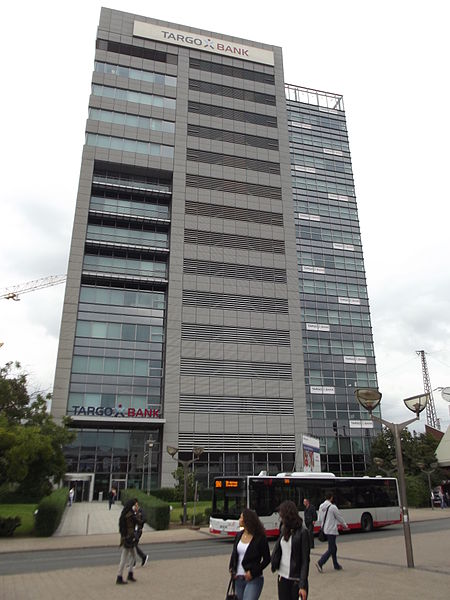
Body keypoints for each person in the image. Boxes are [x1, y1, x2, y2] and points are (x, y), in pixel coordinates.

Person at [271, 500, 310, 600]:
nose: (280, 517)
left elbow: (305, 561)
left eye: (282, 515)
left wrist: (302, 585)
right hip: (282, 578)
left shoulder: (303, 532)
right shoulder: (284, 529)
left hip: (296, 580)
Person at [229, 508, 270, 600]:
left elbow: (267, 559)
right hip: (238, 578)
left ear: (247, 520)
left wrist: (253, 572)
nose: (239, 520)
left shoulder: (260, 538)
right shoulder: (239, 535)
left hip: (253, 579)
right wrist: (232, 568)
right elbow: (234, 554)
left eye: (241, 517)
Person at [316, 492, 349, 573]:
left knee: (334, 547)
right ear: (331, 498)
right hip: (331, 530)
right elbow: (339, 517)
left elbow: (319, 519)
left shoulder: (321, 506)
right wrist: (345, 525)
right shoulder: (333, 507)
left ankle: (336, 565)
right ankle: (320, 562)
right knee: (331, 548)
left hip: (325, 530)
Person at [116, 498, 139, 584]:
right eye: (136, 504)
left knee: (132, 555)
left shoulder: (124, 514)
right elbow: (139, 521)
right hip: (129, 538)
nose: (137, 506)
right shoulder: (130, 515)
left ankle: (129, 573)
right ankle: (120, 576)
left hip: (126, 537)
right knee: (125, 557)